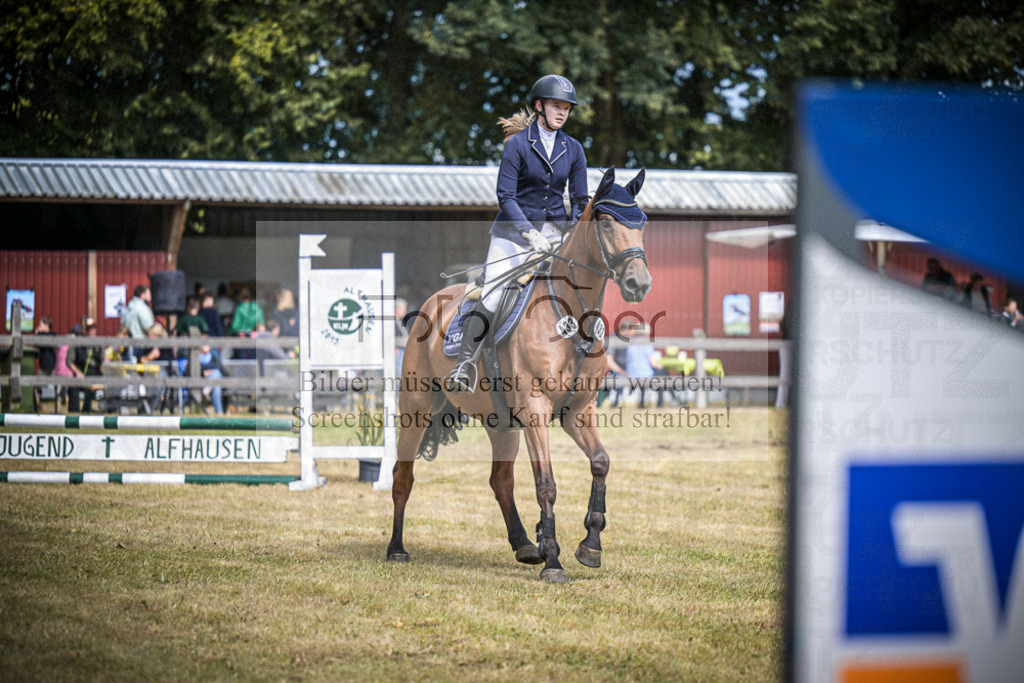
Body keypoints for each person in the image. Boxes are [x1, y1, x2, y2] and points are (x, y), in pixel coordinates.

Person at [448, 74, 589, 392]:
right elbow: (506, 197)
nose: (562, 112)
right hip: (513, 235)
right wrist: (529, 233)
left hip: (555, 234)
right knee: (493, 294)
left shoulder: (574, 149)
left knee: (576, 289)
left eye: (567, 107)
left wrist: (572, 235)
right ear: (539, 106)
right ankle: (465, 365)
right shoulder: (518, 144)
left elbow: (580, 200)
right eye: (556, 106)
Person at [69, 318, 104, 413]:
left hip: (95, 373)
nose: (93, 331)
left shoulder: (100, 344)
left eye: (94, 328)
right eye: (90, 329)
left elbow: (103, 359)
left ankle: (108, 409)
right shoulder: (76, 343)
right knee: (73, 384)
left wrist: (105, 359)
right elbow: (69, 361)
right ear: (85, 331)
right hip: (81, 373)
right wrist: (78, 373)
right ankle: (74, 411)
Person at [121, 284, 155, 361]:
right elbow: (149, 328)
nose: (151, 296)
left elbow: (123, 327)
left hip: (128, 347)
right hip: (140, 347)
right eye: (149, 294)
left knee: (129, 370)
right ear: (143, 295)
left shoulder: (128, 308)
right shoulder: (142, 308)